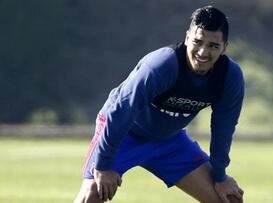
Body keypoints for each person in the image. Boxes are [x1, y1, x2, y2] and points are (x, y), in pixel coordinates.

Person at [74, 5, 245, 203]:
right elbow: (122, 111)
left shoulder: (229, 77)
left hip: (169, 141)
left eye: (213, 46)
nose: (203, 51)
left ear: (225, 46)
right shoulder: (163, 65)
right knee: (92, 194)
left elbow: (223, 129)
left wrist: (220, 177)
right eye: (198, 41)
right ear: (187, 37)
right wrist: (103, 165)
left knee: (228, 199)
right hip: (125, 133)